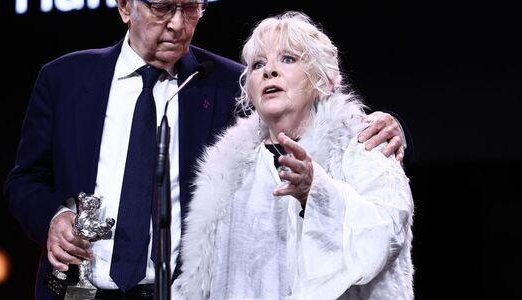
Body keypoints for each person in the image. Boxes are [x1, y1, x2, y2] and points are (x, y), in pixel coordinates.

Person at [4, 0, 410, 298]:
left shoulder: (229, 83)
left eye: (191, 9)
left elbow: (311, 112)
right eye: (163, 8)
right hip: (80, 289)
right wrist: (54, 217)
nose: (178, 25)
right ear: (126, 7)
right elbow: (25, 180)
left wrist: (386, 125)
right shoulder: (65, 79)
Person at [173, 11, 414, 300]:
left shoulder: (365, 143)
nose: (269, 71)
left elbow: (385, 234)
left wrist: (318, 193)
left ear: (323, 78)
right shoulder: (227, 172)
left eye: (287, 59)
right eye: (258, 64)